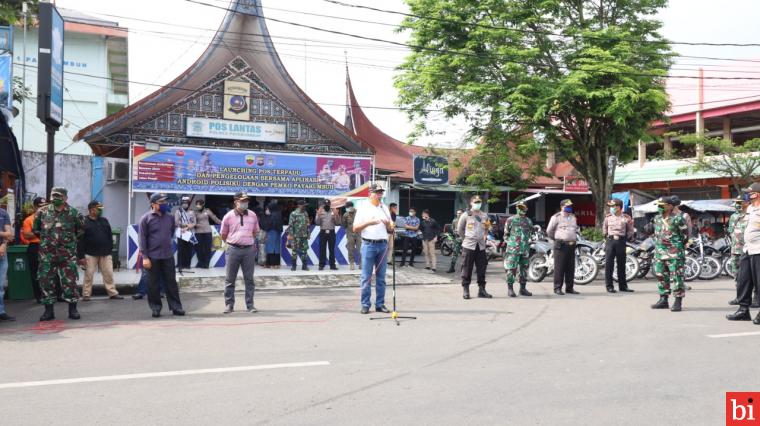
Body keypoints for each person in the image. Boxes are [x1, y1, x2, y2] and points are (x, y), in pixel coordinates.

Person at [33, 187, 85, 321]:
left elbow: (80, 231)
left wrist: (68, 243)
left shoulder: (74, 213)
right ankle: (48, 312)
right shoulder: (42, 212)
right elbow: (36, 230)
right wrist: (48, 242)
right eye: (53, 196)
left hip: (67, 255)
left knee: (70, 282)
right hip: (47, 255)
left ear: (65, 198)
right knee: (46, 282)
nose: (55, 199)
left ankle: (73, 310)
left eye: (58, 196)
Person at [139, 193, 185, 318]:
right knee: (152, 284)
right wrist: (145, 257)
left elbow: (170, 233)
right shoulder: (146, 218)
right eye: (161, 202)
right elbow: (142, 238)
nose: (165, 204)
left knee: (171, 283)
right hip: (152, 256)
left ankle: (176, 307)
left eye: (165, 202)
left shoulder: (169, 218)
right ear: (153, 204)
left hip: (167, 255)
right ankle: (156, 308)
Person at [353, 183, 392, 314]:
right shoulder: (363, 208)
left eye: (381, 192)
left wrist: (389, 225)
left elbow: (391, 228)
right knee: (366, 277)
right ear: (370, 193)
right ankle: (365, 304)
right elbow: (355, 228)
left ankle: (380, 304)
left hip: (382, 245)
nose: (380, 194)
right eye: (377, 192)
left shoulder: (384, 207)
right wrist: (369, 222)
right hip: (369, 245)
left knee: (381, 277)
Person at [220, 192, 260, 314]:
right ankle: (229, 305)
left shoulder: (253, 215)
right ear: (236, 202)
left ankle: (250, 305)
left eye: (246, 201)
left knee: (249, 279)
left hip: (249, 250)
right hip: (233, 249)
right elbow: (223, 234)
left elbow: (255, 232)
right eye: (242, 201)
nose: (245, 203)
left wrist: (247, 240)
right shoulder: (228, 216)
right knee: (230, 279)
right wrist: (234, 242)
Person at [727, 183, 760, 324]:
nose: (746, 195)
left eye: (749, 193)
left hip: (759, 250)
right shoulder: (751, 208)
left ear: (756, 194)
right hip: (747, 249)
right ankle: (743, 310)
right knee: (743, 280)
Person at [78, 200, 123, 301]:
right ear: (91, 210)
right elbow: (80, 240)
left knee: (109, 274)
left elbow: (109, 235)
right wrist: (81, 256)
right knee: (88, 275)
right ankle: (86, 295)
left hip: (105, 253)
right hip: (90, 253)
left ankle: (112, 293)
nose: (100, 211)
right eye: (98, 209)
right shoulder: (83, 222)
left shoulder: (104, 220)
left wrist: (110, 249)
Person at [650, 196, 688, 312]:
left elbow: (685, 236)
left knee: (677, 277)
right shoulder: (656, 218)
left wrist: (675, 246)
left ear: (670, 206)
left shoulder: (678, 219)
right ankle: (663, 299)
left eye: (662, 205)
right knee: (661, 275)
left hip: (674, 253)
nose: (660, 208)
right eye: (659, 205)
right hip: (660, 252)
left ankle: (678, 301)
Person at [458, 195, 492, 300]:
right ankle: (466, 289)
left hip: (481, 246)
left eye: (479, 202)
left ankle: (482, 290)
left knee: (482, 268)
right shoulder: (466, 215)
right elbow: (460, 229)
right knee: (467, 267)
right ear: (471, 203)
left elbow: (487, 227)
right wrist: (465, 239)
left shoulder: (484, 215)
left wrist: (485, 236)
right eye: (476, 202)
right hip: (469, 245)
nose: (478, 204)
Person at [546, 199, 580, 296]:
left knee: (570, 267)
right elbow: (549, 231)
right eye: (567, 206)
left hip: (571, 244)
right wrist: (557, 239)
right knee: (560, 267)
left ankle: (569, 288)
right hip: (561, 244)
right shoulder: (556, 217)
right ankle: (557, 288)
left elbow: (575, 229)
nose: (569, 208)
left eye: (570, 206)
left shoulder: (573, 217)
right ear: (562, 207)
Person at [602, 198, 635, 293]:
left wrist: (626, 238)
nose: (611, 208)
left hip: (621, 242)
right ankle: (609, 286)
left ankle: (623, 286)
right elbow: (604, 230)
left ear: (619, 207)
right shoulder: (607, 218)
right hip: (610, 241)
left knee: (621, 264)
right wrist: (606, 238)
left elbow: (630, 230)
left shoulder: (626, 218)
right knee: (609, 264)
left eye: (613, 206)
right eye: (611, 206)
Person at [504, 201, 533, 298]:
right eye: (519, 207)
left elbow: (531, 234)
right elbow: (506, 235)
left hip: (525, 249)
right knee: (511, 269)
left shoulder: (528, 221)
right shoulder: (510, 220)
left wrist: (529, 242)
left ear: (526, 209)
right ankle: (510, 289)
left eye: (523, 207)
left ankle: (523, 288)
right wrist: (511, 245)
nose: (521, 209)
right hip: (513, 250)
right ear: (516, 208)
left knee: (524, 269)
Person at [21, 197, 46, 303]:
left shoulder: (51, 218)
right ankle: (39, 296)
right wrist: (39, 233)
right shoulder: (29, 219)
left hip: (48, 246)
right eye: (40, 206)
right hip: (35, 247)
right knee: (35, 273)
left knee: (49, 272)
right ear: (35, 207)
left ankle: (54, 294)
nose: (43, 208)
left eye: (45, 206)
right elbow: (26, 235)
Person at [193, 199, 221, 269]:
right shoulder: (195, 212)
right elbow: (192, 222)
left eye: (199, 204)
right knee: (199, 249)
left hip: (207, 231)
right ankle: (200, 263)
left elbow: (214, 218)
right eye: (197, 204)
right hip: (198, 232)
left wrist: (223, 222)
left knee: (207, 248)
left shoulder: (207, 211)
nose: (198, 206)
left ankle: (206, 264)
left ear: (203, 204)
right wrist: (196, 224)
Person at [315, 199, 340, 270]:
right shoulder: (320, 212)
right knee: (322, 249)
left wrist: (337, 215)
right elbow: (317, 223)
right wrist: (318, 215)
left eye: (328, 205)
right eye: (325, 205)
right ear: (323, 205)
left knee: (331, 249)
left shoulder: (333, 211)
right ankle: (321, 265)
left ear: (330, 205)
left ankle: (332, 265)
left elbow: (338, 223)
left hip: (331, 232)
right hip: (323, 232)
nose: (327, 206)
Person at [0, 202, 14, 321]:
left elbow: (10, 235)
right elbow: (6, 233)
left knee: (0, 285)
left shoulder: (3, 213)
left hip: (2, 252)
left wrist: (4, 244)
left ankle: (1, 311)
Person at [174, 195, 197, 270]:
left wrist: (187, 227)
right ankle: (180, 265)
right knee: (181, 249)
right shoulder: (178, 211)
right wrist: (184, 225)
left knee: (189, 250)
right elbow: (176, 222)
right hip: (181, 232)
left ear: (188, 203)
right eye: (183, 202)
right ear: (181, 203)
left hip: (190, 233)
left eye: (186, 202)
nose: (185, 204)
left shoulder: (192, 211)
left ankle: (187, 265)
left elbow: (194, 222)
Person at [288, 200, 310, 271]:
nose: (305, 206)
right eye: (304, 205)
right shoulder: (293, 213)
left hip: (304, 235)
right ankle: (294, 266)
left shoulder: (305, 213)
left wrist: (308, 233)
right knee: (294, 250)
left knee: (304, 250)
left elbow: (307, 224)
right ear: (299, 205)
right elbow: (291, 225)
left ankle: (304, 266)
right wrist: (291, 235)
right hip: (296, 236)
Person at [260, 202, 283, 268]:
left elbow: (270, 224)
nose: (267, 210)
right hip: (277, 233)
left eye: (268, 208)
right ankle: (275, 264)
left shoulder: (273, 215)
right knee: (276, 248)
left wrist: (265, 228)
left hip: (272, 232)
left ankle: (271, 264)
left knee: (270, 248)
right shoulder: (278, 214)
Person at [342, 201, 362, 270]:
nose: (346, 209)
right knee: (350, 249)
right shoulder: (345, 215)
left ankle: (361, 263)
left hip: (358, 233)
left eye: (347, 207)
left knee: (360, 249)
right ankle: (352, 263)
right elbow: (344, 225)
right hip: (350, 234)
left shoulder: (359, 213)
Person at [446, 209, 464, 274]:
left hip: (465, 239)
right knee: (454, 253)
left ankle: (463, 268)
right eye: (458, 213)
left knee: (465, 254)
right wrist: (455, 232)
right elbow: (453, 229)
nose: (459, 214)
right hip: (457, 239)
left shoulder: (466, 219)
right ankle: (452, 267)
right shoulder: (455, 220)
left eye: (460, 213)